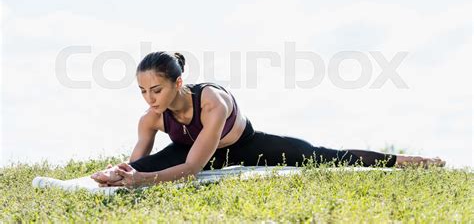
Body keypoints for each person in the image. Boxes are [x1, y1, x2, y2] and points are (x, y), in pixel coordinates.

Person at [91, 52, 445, 188]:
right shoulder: (150, 120)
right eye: (142, 91)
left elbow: (195, 166)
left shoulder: (211, 102)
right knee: (138, 171)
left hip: (244, 146)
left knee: (320, 155)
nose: (150, 99)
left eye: (156, 90)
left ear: (178, 82)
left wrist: (144, 180)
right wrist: (125, 173)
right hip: (187, 147)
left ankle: (404, 162)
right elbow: (139, 162)